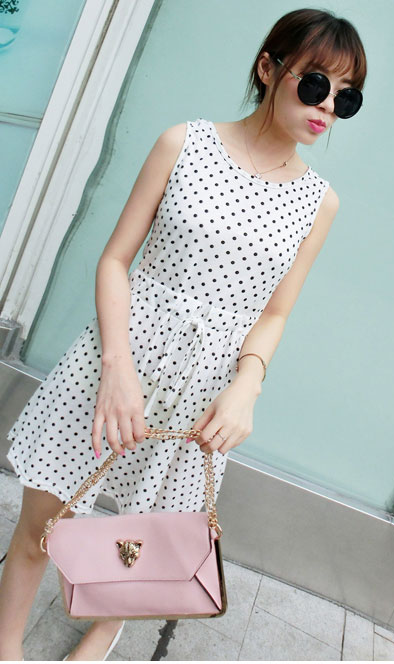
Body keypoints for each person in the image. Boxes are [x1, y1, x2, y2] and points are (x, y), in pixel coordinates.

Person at [0, 7, 367, 661]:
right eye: (316, 83)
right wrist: (117, 368)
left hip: (205, 391)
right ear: (269, 68)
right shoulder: (184, 143)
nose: (327, 107)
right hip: (116, 359)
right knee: (44, 523)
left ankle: (104, 630)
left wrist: (246, 388)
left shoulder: (319, 203)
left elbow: (274, 313)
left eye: (346, 97)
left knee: (143, 544)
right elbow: (116, 260)